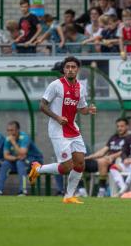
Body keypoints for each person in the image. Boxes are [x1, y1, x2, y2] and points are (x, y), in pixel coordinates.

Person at [28, 56, 97, 204]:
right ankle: (38, 169)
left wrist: (88, 110)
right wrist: (57, 117)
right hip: (58, 130)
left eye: (73, 67)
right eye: (68, 67)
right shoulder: (56, 85)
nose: (71, 69)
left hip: (73, 129)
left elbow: (81, 109)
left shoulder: (80, 87)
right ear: (64, 69)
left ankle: (69, 196)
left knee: (80, 164)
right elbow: (42, 105)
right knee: (67, 167)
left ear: (77, 69)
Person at [0, 121, 43, 195]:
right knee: (5, 164)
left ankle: (23, 190)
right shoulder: (8, 139)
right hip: (19, 160)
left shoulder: (24, 137)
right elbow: (6, 156)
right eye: (8, 130)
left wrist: (13, 142)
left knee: (20, 163)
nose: (10, 133)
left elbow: (23, 152)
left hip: (35, 161)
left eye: (12, 130)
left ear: (18, 130)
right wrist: (16, 158)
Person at [86, 117, 129, 197]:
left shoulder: (129, 138)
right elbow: (103, 151)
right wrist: (91, 156)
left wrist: (112, 156)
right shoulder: (114, 137)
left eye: (122, 126)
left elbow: (124, 151)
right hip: (105, 160)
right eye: (118, 126)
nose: (119, 128)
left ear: (127, 126)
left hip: (116, 163)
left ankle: (102, 189)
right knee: (81, 162)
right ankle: (80, 189)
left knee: (103, 161)